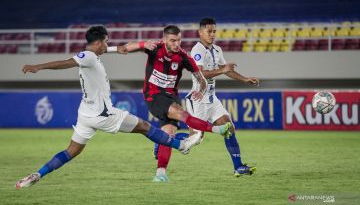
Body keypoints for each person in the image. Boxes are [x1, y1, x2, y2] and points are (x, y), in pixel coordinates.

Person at [15, 25, 202, 189]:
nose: (107, 45)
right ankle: (181, 145)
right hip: (103, 114)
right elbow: (66, 63)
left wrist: (122, 48)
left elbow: (108, 49)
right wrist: (38, 67)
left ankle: (38, 174)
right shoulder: (87, 56)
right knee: (145, 127)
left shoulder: (92, 55)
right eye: (106, 41)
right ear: (98, 43)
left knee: (71, 151)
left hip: (86, 114)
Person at [107, 25, 232, 182]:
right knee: (181, 113)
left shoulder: (184, 57)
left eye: (179, 40)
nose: (176, 44)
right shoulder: (155, 47)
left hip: (171, 96)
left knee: (168, 135)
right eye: (173, 40)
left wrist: (201, 89)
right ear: (165, 39)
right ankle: (217, 129)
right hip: (153, 95)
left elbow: (201, 79)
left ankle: (160, 174)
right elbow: (127, 47)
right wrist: (142, 44)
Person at [185, 18, 260, 177]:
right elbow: (200, 73)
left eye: (214, 31)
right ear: (200, 32)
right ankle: (164, 141)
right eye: (209, 31)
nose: (212, 34)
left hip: (212, 99)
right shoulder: (197, 50)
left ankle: (238, 167)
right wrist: (223, 69)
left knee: (229, 128)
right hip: (198, 101)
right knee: (195, 139)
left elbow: (226, 70)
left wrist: (245, 79)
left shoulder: (217, 50)